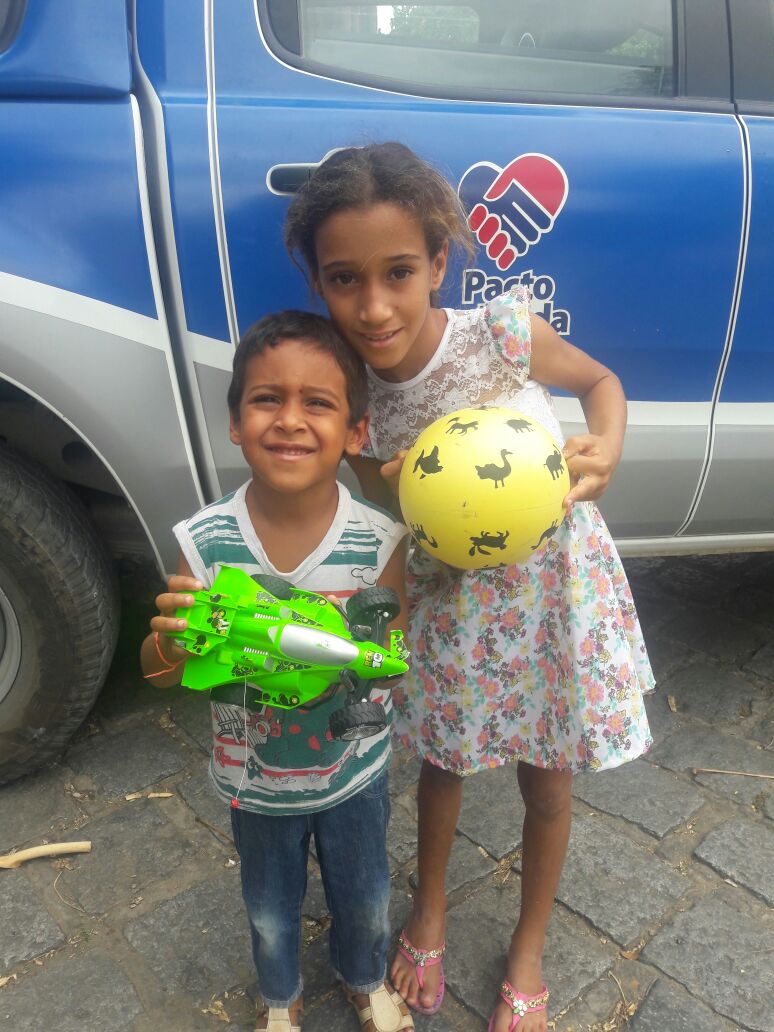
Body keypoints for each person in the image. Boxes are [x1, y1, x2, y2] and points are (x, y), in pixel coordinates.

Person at [284, 143, 654, 1032]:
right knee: (444, 765)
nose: (374, 306)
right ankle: (430, 909)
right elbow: (376, 502)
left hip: (551, 596)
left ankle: (529, 945)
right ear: (319, 281)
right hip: (453, 607)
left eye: (399, 272)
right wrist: (395, 484)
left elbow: (600, 382)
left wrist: (606, 446)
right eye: (344, 279)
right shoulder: (352, 388)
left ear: (439, 262)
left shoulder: (501, 334)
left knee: (548, 780)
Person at [140, 310, 414, 1032]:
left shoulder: (377, 541)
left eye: (317, 402)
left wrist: (366, 660)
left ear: (355, 431)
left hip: (354, 771)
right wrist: (171, 644)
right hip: (254, 781)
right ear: (236, 422)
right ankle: (279, 997)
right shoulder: (205, 543)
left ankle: (364, 976)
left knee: (366, 893)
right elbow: (161, 674)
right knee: (267, 906)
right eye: (267, 399)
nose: (290, 419)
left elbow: (392, 655)